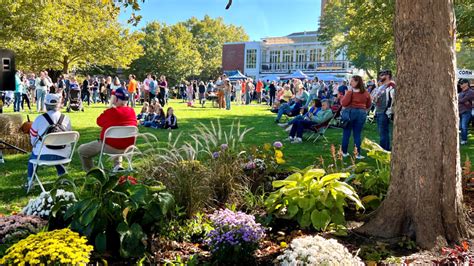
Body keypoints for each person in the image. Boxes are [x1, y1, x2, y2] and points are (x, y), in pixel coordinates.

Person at [78, 88, 137, 172]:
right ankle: (118, 166)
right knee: (119, 139)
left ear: (116, 99)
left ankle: (92, 172)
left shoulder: (111, 111)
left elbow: (99, 122)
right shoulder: (132, 111)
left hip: (108, 146)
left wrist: (110, 107)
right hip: (128, 147)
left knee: (82, 150)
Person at [27, 94, 72, 189]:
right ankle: (62, 177)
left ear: (46, 105)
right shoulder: (66, 119)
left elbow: (33, 138)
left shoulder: (39, 119)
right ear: (59, 104)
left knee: (32, 160)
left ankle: (30, 181)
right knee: (56, 157)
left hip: (42, 155)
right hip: (63, 155)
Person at [341, 75, 372, 159]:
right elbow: (369, 104)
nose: (350, 82)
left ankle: (344, 152)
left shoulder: (350, 92)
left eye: (352, 81)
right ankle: (357, 154)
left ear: (357, 82)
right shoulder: (366, 93)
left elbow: (343, 103)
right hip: (362, 113)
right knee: (357, 134)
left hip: (351, 112)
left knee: (346, 133)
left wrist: (346, 95)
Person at [372, 70, 396, 151]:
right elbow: (374, 98)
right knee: (382, 132)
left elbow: (393, 100)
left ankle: (383, 150)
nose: (380, 77)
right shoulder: (382, 86)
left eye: (382, 75)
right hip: (379, 111)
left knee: (383, 132)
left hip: (384, 112)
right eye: (380, 75)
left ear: (388, 75)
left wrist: (389, 111)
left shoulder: (391, 86)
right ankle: (385, 149)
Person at [458, 79, 474, 145]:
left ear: (466, 84)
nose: (460, 85)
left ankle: (464, 140)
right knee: (460, 126)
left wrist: (460, 100)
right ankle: (463, 139)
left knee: (464, 126)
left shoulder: (470, 92)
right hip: (460, 111)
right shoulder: (462, 92)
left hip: (466, 111)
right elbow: (460, 100)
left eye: (462, 83)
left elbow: (463, 100)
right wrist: (461, 100)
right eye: (460, 83)